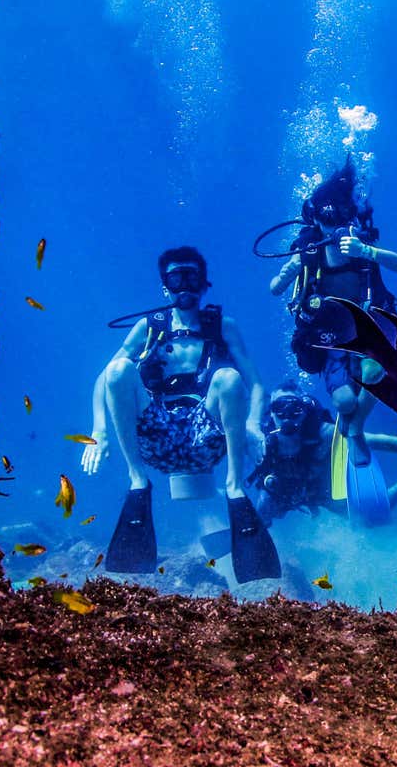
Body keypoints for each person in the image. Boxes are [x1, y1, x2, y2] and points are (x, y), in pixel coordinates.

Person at [81, 246, 279, 583]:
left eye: (192, 276)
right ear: (165, 287)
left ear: (204, 285)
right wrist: (98, 431)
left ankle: (234, 486)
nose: (184, 285)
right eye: (176, 277)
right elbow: (104, 378)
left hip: (206, 437)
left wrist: (251, 426)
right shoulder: (149, 327)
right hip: (156, 435)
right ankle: (137, 479)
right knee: (117, 370)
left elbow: (256, 385)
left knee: (229, 378)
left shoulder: (222, 327)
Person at [267, 158, 397, 523]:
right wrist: (291, 271)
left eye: (340, 217)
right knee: (345, 400)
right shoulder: (309, 254)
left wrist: (368, 252)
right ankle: (354, 427)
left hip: (367, 332)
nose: (334, 225)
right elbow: (274, 287)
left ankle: (357, 431)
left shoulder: (362, 250)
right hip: (329, 339)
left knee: (375, 373)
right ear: (314, 218)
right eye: (326, 217)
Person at [199, 380, 397, 558]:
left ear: (304, 410)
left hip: (322, 492)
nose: (287, 416)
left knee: (368, 518)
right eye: (280, 409)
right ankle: (242, 536)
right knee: (257, 520)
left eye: (294, 408)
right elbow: (221, 442)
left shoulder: (325, 433)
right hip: (278, 494)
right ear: (270, 412)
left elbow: (372, 440)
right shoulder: (259, 440)